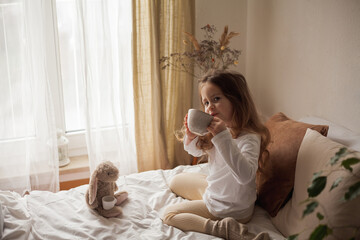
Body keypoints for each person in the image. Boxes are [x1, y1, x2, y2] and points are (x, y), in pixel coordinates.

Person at [162, 70, 271, 240]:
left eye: (216, 99)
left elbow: (246, 177)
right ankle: (210, 201)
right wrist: (191, 137)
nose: (209, 107)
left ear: (237, 99)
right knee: (176, 180)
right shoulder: (221, 129)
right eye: (205, 102)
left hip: (230, 208)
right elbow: (196, 151)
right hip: (219, 192)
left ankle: (222, 229)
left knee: (168, 214)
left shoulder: (248, 138)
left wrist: (221, 137)